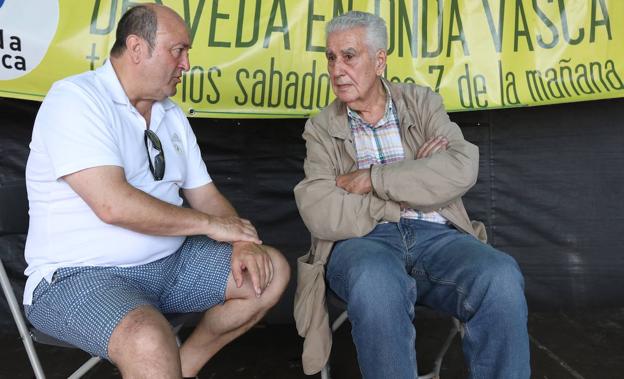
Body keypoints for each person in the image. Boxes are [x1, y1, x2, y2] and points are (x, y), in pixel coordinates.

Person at [23, 4, 289, 378]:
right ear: (136, 48)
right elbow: (112, 204)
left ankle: (182, 368)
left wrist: (242, 241)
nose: (186, 64)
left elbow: (207, 195)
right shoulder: (76, 99)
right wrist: (211, 225)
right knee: (147, 338)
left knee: (268, 271)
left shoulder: (170, 114)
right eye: (177, 50)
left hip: (170, 268)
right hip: (79, 276)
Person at [293, 11, 529, 379]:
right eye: (331, 57)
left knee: (499, 275)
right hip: (362, 243)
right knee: (376, 282)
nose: (337, 69)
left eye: (349, 55)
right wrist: (415, 182)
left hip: (438, 237)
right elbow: (320, 210)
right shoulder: (321, 128)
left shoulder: (421, 102)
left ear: (380, 60)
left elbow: (462, 167)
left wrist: (372, 179)